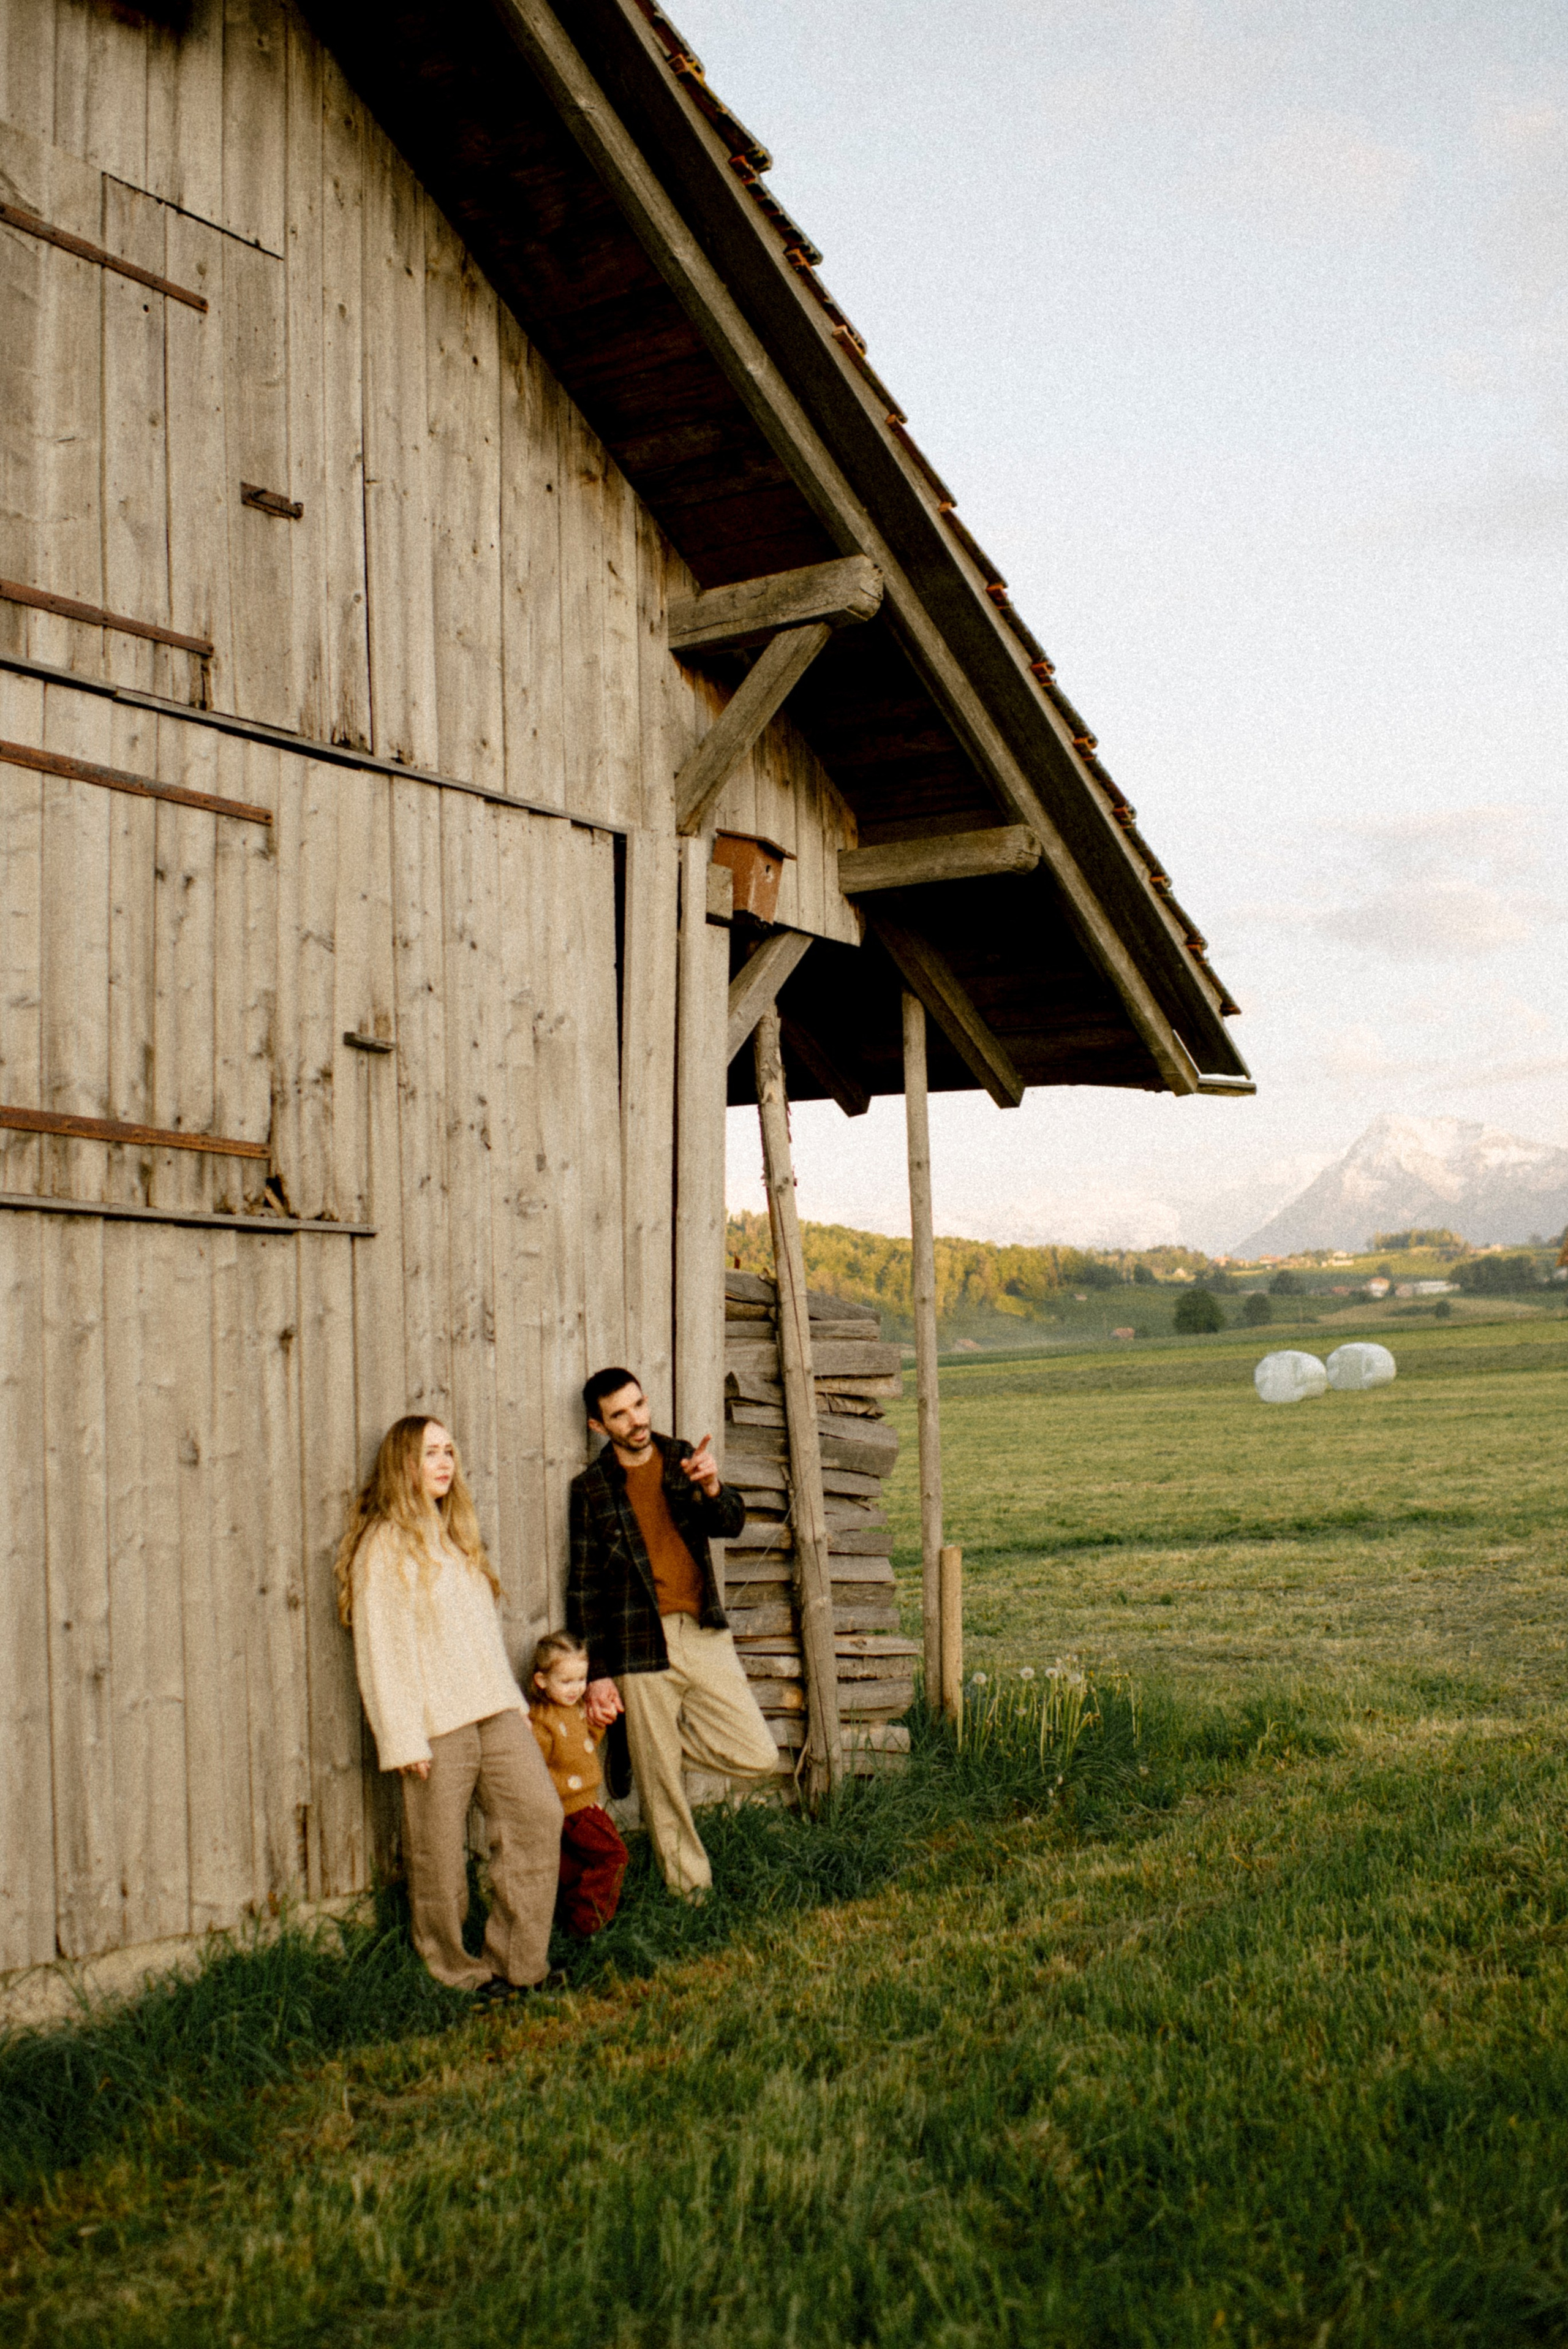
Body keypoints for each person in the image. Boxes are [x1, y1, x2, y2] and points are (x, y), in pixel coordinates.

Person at [335, 1415, 563, 2002]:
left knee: (539, 1816)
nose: (444, 1463)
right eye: (429, 1453)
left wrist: (514, 1706)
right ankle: (455, 1974)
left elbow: (484, 1636)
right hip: (436, 1724)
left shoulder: (454, 1534)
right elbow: (381, 1650)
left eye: (448, 1451)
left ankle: (518, 1964)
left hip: (493, 1710)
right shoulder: (384, 1544)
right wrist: (403, 1737)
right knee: (437, 1853)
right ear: (401, 1466)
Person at [567, 1367, 778, 1899]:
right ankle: (690, 1893)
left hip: (702, 1631)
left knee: (759, 1753)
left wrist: (711, 1485)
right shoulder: (591, 1491)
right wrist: (597, 1675)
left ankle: (650, 1750)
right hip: (637, 1645)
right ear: (599, 1425)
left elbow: (729, 1523)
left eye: (639, 1405)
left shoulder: (682, 1456)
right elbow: (584, 1589)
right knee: (661, 1791)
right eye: (620, 1413)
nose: (636, 1420)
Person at [526, 1630, 629, 1937]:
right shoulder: (541, 1721)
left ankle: (577, 1918)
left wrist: (597, 1725)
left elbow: (583, 1749)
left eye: (581, 1680)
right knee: (614, 1856)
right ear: (542, 1681)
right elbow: (537, 1770)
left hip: (586, 1803)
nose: (576, 1689)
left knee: (577, 1867)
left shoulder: (575, 1708)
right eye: (566, 1681)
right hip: (572, 1811)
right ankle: (588, 1923)